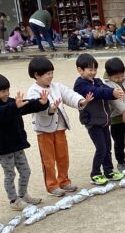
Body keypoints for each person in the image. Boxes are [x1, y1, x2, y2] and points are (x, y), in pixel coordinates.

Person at [26, 57, 91, 197]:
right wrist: (50, 108)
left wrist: (81, 100)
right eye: (47, 74)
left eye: (51, 73)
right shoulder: (33, 91)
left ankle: (64, 181)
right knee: (48, 160)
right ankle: (52, 185)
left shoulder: (56, 86)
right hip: (44, 130)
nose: (50, 76)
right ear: (36, 75)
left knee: (63, 156)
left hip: (60, 127)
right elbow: (35, 108)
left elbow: (69, 95)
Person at [0, 73, 49, 210]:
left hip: (17, 145)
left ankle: (23, 195)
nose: (6, 93)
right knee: (10, 174)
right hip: (3, 148)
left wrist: (40, 103)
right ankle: (14, 200)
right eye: (2, 91)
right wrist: (14, 107)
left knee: (26, 171)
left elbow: (26, 105)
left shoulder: (12, 102)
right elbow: (0, 114)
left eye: (7, 90)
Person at [72, 54, 125, 185]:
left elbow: (105, 89)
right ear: (80, 70)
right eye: (90, 70)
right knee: (101, 148)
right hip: (92, 122)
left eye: (95, 69)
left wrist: (113, 92)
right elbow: (95, 92)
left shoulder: (97, 81)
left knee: (107, 146)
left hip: (104, 121)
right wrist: (111, 93)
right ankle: (95, 173)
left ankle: (108, 171)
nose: (93, 72)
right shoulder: (80, 85)